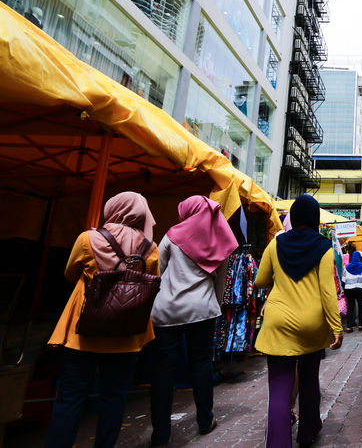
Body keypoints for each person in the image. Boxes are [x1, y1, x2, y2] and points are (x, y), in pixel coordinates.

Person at [45, 192, 160, 448]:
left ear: (113, 208)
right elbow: (151, 284)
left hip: (82, 332)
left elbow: (69, 273)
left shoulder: (88, 239)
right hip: (127, 334)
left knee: (70, 398)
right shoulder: (150, 249)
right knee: (114, 398)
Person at [149, 195, 238, 447]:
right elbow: (221, 281)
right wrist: (216, 305)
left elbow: (159, 271)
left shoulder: (171, 236)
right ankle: (204, 420)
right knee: (201, 364)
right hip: (203, 309)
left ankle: (160, 435)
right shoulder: (221, 238)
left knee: (163, 369)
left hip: (168, 310)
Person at [254, 194, 343, 448]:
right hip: (311, 325)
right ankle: (308, 431)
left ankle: (279, 443)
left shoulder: (276, 244)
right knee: (308, 379)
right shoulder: (324, 246)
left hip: (278, 321)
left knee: (280, 389)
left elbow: (260, 280)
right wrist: (336, 327)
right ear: (315, 218)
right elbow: (328, 291)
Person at [342, 247, 362, 332]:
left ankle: (349, 326)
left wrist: (344, 290)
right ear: (359, 258)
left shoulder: (347, 267)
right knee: (361, 306)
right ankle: (360, 325)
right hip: (359, 288)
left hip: (349, 289)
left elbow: (343, 280)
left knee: (350, 307)